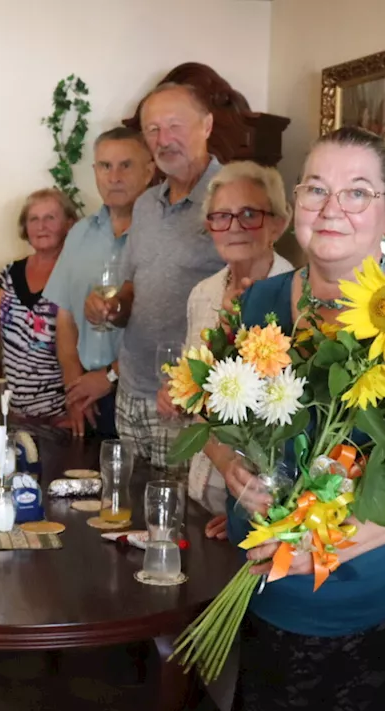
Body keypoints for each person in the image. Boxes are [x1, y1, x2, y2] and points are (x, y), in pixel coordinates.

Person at [211, 127, 385, 711]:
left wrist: (321, 546)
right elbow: (220, 420)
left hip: (366, 606)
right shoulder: (261, 301)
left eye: (357, 192)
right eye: (316, 190)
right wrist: (231, 467)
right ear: (295, 203)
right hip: (261, 588)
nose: (332, 210)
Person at [84, 83, 227, 466]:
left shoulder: (232, 199)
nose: (164, 140)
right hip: (132, 392)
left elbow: (251, 297)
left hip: (186, 401)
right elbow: (135, 286)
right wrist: (113, 307)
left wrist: (195, 390)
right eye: (153, 130)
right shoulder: (146, 203)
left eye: (175, 126)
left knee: (179, 520)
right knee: (131, 514)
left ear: (207, 125)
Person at [158, 161, 296, 515]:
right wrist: (179, 396)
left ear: (279, 224)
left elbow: (290, 424)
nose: (234, 227)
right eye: (221, 216)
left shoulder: (297, 300)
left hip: (263, 505)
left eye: (249, 214)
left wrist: (242, 515)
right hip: (204, 493)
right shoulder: (202, 294)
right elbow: (199, 396)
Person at [44, 127, 155, 437]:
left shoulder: (160, 236)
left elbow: (170, 327)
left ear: (149, 171)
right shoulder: (80, 233)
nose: (114, 176)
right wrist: (74, 389)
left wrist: (109, 377)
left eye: (125, 165)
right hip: (87, 398)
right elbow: (65, 318)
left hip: (143, 393)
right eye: (105, 166)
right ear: (95, 171)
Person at [0, 188, 77, 422]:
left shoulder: (75, 274)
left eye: (50, 218)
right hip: (16, 414)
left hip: (62, 416)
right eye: (33, 219)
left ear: (68, 224)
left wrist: (76, 407)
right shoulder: (11, 273)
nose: (41, 226)